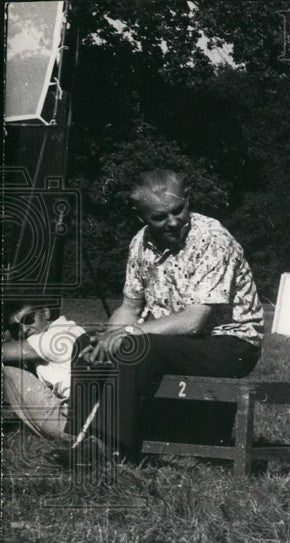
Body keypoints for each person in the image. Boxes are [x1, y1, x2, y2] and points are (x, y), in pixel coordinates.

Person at [68, 168, 264, 464]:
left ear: (189, 200)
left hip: (230, 344)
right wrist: (108, 337)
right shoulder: (139, 243)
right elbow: (129, 307)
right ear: (142, 217)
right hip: (175, 342)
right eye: (160, 217)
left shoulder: (212, 238)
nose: (173, 222)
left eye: (178, 210)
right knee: (87, 343)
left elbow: (194, 320)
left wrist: (131, 333)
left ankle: (108, 448)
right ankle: (80, 440)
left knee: (138, 345)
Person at [2, 303, 86, 440]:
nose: (23, 330)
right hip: (88, 416)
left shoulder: (52, 338)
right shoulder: (70, 328)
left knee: (7, 370)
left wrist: (7, 338)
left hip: (73, 425)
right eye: (15, 327)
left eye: (28, 319)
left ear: (46, 312)